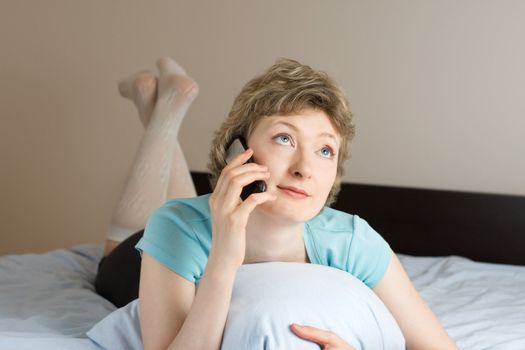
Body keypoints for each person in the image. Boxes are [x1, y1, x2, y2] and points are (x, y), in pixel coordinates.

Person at [96, 57, 458, 350]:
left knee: (184, 204)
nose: (304, 169)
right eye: (285, 138)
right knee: (138, 231)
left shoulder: (349, 240)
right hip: (127, 266)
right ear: (237, 150)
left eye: (325, 150)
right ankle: (156, 112)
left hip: (194, 223)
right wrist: (223, 257)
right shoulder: (175, 227)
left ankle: (154, 105)